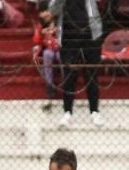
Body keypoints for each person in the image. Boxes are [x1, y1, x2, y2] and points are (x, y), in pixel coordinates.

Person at [43, 0, 104, 128]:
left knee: (91, 75)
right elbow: (52, 10)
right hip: (68, 38)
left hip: (91, 37)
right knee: (69, 76)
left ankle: (94, 111)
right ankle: (67, 112)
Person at [32, 12, 60, 101]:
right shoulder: (41, 26)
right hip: (48, 48)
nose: (46, 16)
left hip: (61, 49)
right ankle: (49, 84)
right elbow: (36, 40)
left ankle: (68, 82)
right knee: (47, 55)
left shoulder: (61, 22)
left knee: (62, 56)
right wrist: (43, 33)